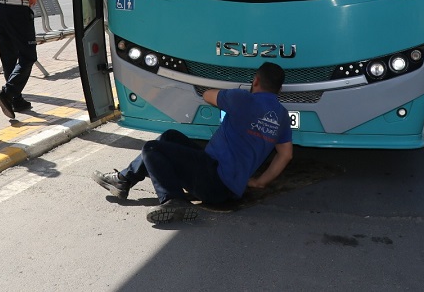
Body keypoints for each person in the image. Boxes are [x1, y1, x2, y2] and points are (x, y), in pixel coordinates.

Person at [93, 62, 293, 224]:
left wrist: (231, 93)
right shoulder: (282, 116)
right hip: (227, 184)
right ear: (279, 89)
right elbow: (285, 155)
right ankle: (123, 180)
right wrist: (260, 181)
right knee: (170, 136)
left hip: (214, 180)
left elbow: (208, 95)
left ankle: (174, 200)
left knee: (152, 148)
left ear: (256, 80)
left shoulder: (243, 99)